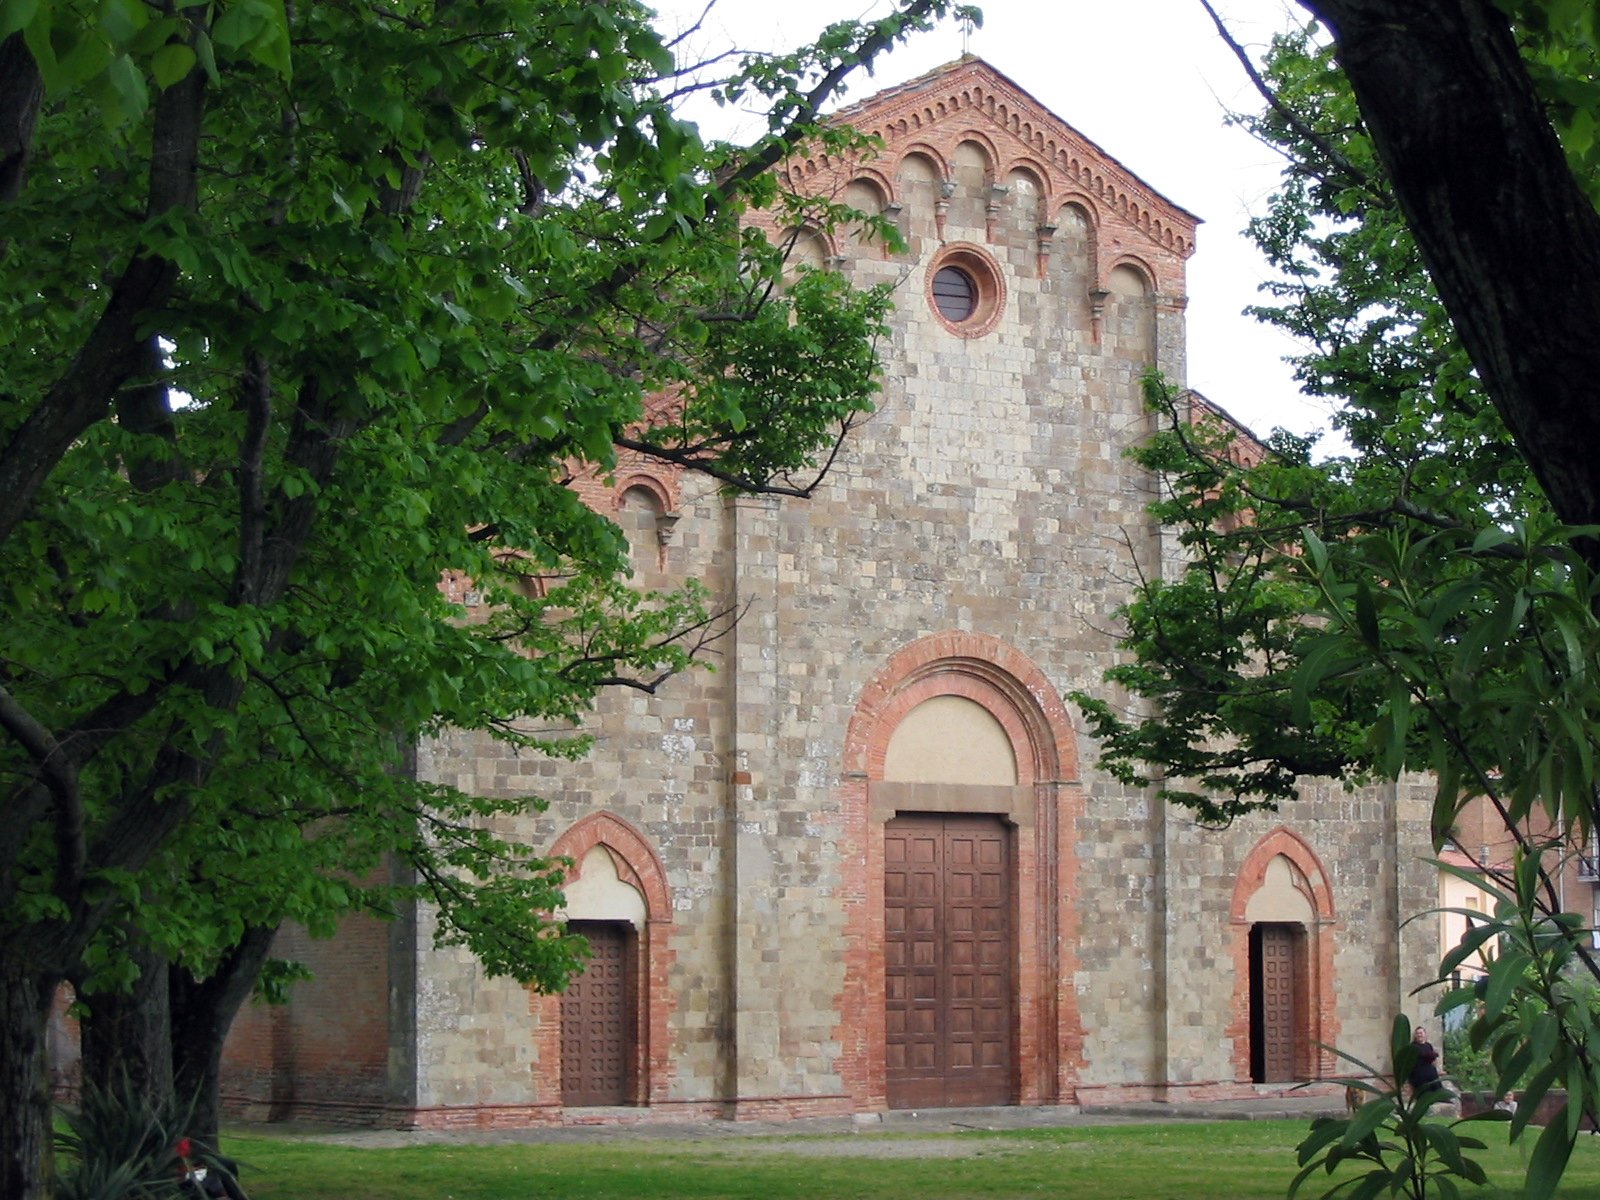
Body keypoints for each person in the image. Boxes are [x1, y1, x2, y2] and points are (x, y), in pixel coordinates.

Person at [1408, 1025, 1442, 1100]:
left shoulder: (1428, 1045)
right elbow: (1421, 1056)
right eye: (1417, 1033)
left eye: (1421, 1033)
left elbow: (1432, 1057)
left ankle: (1439, 1096)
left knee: (1433, 1072)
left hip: (1428, 1069)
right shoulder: (1413, 1046)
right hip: (1418, 1071)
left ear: (1425, 1034)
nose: (1419, 1035)